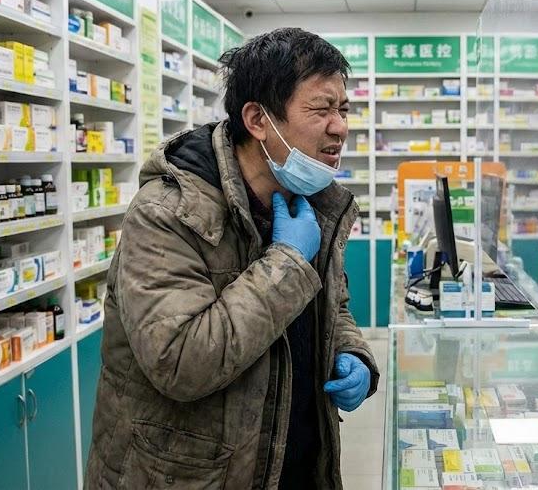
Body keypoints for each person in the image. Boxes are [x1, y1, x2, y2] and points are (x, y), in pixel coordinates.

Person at [84, 28, 379, 490]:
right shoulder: (168, 212)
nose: (340, 126)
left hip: (293, 464)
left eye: (342, 109)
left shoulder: (310, 200)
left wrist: (351, 352)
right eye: (321, 109)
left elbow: (332, 304)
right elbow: (180, 361)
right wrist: (285, 261)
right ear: (258, 119)